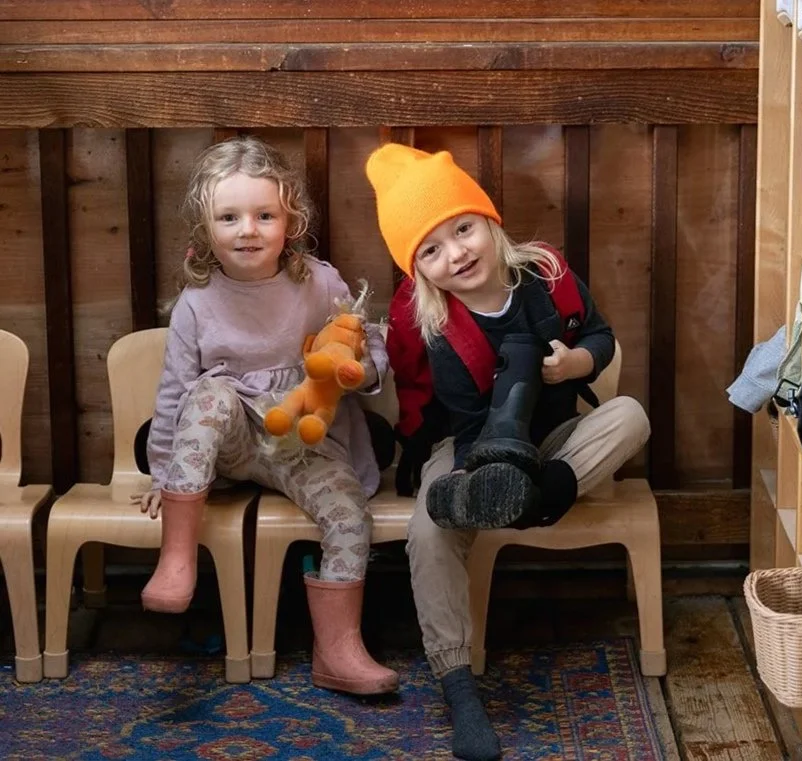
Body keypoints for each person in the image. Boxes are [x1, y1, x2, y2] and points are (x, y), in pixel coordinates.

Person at [366, 144, 651, 761]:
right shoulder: (433, 322)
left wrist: (577, 362)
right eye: (431, 250)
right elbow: (456, 421)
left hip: (556, 444)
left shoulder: (546, 275)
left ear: (489, 222)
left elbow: (600, 335)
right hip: (470, 448)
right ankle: (458, 683)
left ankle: (534, 496)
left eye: (463, 229)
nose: (457, 254)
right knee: (429, 529)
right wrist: (499, 414)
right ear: (417, 270)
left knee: (630, 416)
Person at [134, 135, 397, 695]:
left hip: (300, 443)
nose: (247, 229)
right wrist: (164, 474)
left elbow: (364, 348)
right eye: (229, 217)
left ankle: (339, 649)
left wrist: (357, 368)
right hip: (227, 447)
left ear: (290, 220)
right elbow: (175, 393)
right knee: (208, 396)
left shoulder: (320, 282)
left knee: (350, 515)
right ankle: (177, 558)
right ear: (206, 230)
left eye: (264, 215)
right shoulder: (197, 302)